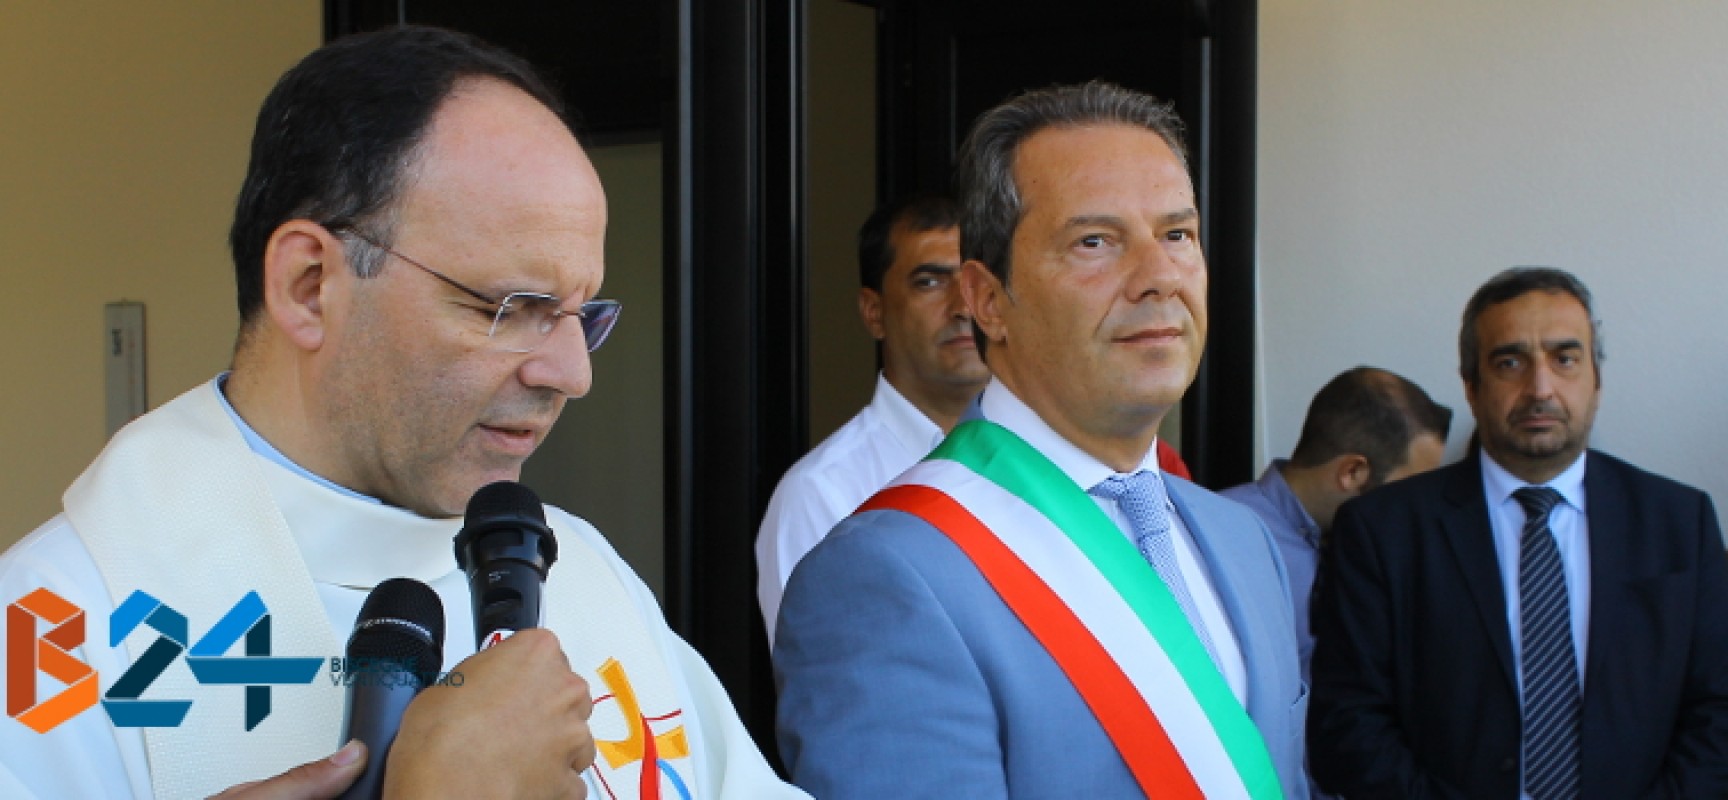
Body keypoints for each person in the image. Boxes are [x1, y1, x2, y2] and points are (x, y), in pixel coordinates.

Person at [0, 26, 805, 800]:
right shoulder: (54, 635)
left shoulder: (585, 576)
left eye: (580, 313)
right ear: (311, 285)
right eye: (511, 305)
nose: (572, 373)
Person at [773, 81, 1308, 798]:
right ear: (987, 299)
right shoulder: (883, 574)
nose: (1159, 277)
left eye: (1176, 234)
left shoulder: (1243, 539)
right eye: (1095, 241)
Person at [1307, 267, 1728, 798]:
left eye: (1565, 358)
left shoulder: (1678, 523)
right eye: (1510, 362)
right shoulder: (1382, 531)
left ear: (1596, 379)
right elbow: (1345, 725)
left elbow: (1718, 712)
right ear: (1471, 386)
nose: (1540, 388)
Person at [754, 194, 988, 641]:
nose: (963, 307)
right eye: (929, 282)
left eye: (975, 282)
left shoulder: (1046, 460)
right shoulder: (822, 493)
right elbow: (831, 687)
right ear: (874, 312)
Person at [1222, 366, 1450, 684]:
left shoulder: (1366, 553)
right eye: (1405, 490)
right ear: (1352, 472)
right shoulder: (1220, 539)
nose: (1412, 509)